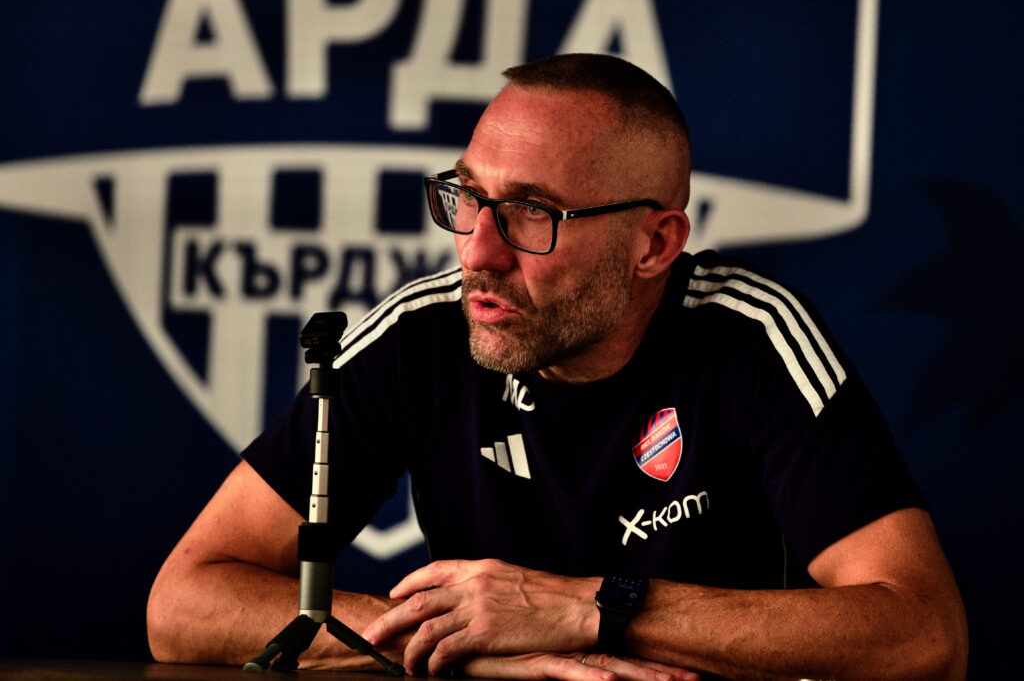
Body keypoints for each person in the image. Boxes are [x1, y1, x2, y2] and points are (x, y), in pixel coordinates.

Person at [147, 53, 968, 680]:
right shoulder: (422, 333)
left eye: (533, 212)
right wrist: (461, 639)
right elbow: (184, 599)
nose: (478, 253)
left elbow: (925, 632)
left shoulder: (751, 335)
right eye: (468, 197)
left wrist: (588, 608)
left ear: (655, 244)